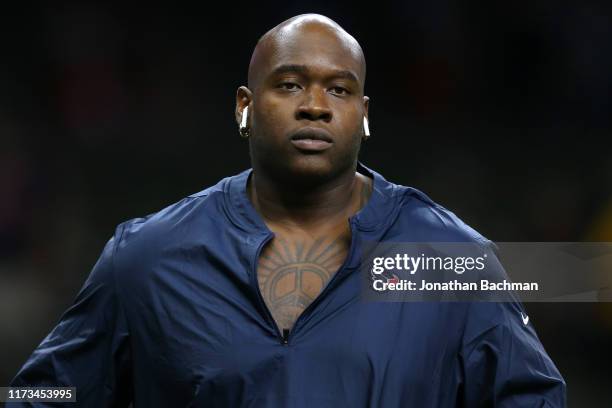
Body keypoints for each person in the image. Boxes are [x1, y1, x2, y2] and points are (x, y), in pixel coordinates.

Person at [9, 13, 566, 407]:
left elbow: (534, 397)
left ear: (364, 114)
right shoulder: (148, 258)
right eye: (291, 84)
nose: (316, 106)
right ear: (244, 106)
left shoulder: (450, 260)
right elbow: (42, 393)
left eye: (340, 90)